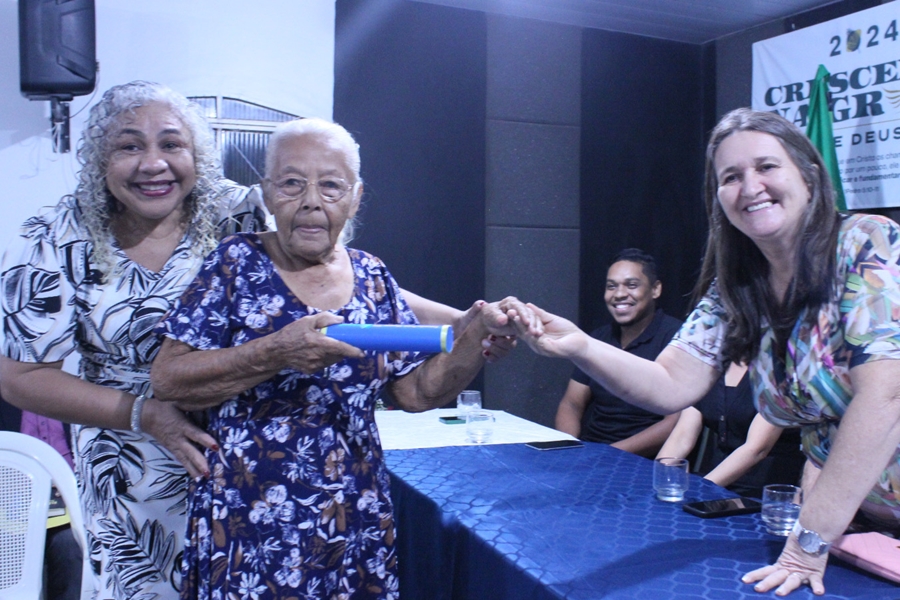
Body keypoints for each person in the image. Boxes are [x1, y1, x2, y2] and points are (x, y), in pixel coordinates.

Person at [503, 107, 900, 596]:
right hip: (867, 524)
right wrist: (581, 346)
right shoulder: (737, 287)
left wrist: (808, 543)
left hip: (842, 524)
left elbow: (886, 398)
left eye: (766, 166)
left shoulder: (864, 241)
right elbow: (670, 385)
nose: (749, 185)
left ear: (810, 176)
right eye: (730, 176)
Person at [150, 117, 515, 600]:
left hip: (353, 515)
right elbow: (169, 379)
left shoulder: (372, 275)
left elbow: (416, 391)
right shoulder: (234, 262)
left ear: (356, 196)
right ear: (266, 192)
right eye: (292, 183)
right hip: (248, 519)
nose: (310, 202)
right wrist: (276, 351)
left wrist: (476, 340)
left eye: (330, 186)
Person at [0, 81, 269, 600]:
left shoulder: (242, 216)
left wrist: (467, 317)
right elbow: (19, 378)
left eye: (171, 144)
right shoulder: (54, 235)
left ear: (197, 154)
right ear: (100, 160)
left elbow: (339, 283)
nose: (153, 163)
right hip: (128, 474)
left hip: (246, 460)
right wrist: (144, 415)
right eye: (129, 146)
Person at [555, 249, 680, 457]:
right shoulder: (598, 339)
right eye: (611, 286)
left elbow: (674, 422)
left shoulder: (677, 340)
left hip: (644, 461)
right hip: (590, 451)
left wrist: (610, 455)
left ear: (655, 289)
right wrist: (570, 449)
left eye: (632, 285)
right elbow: (572, 403)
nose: (620, 294)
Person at [657, 362, 805, 498]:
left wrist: (699, 489)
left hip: (766, 491)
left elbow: (756, 449)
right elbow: (682, 436)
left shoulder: (779, 369)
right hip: (715, 478)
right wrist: (662, 477)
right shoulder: (711, 365)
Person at [0, 394, 83, 600]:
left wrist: (70, 478)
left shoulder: (72, 394)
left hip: (69, 500)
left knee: (69, 544)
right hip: (11, 502)